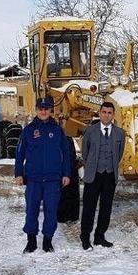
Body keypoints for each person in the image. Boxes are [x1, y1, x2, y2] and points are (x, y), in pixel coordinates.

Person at [14, 97, 71, 253]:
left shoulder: (57, 130)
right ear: (36, 110)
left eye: (46, 109)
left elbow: (65, 153)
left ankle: (48, 240)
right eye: (41, 109)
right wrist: (19, 173)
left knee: (51, 211)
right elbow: (19, 153)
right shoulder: (29, 130)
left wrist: (66, 173)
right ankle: (31, 240)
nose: (43, 111)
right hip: (33, 179)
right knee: (31, 210)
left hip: (53, 179)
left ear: (50, 110)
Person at [80, 102, 126, 251]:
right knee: (89, 207)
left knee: (106, 208)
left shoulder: (119, 133)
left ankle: (100, 236)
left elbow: (119, 153)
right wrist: (92, 166)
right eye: (104, 112)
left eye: (109, 113)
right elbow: (85, 153)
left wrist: (110, 167)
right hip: (93, 175)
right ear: (99, 113)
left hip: (109, 176)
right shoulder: (90, 131)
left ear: (113, 115)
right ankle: (85, 237)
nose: (106, 115)